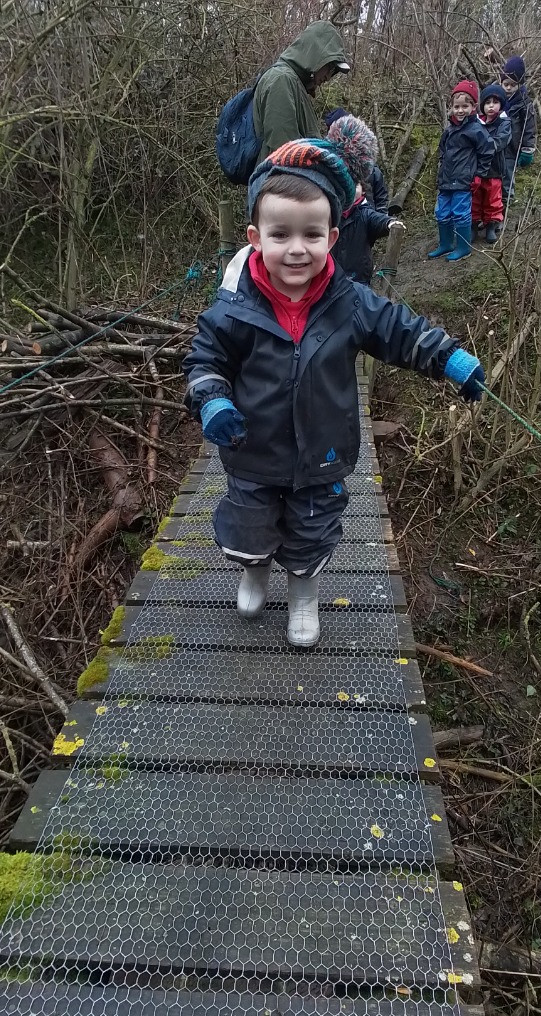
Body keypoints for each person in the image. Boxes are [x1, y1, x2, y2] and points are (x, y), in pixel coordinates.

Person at [182, 140, 486, 647]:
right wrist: (212, 399)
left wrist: (451, 360)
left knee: (312, 527)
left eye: (312, 234)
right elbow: (203, 360)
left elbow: (402, 330)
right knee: (249, 524)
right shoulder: (232, 310)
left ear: (333, 236)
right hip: (251, 447)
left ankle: (304, 590)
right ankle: (254, 571)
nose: (296, 248)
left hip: (323, 450)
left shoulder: (351, 301)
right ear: (255, 238)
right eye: (280, 234)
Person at [253, 22, 350, 164]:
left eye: (333, 72)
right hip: (280, 184)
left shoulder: (295, 84)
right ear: (316, 54)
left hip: (290, 184)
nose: (329, 77)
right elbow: (286, 156)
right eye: (330, 67)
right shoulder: (281, 80)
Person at [325, 114, 402, 284]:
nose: (351, 190)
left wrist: (390, 222)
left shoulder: (364, 212)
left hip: (359, 276)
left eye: (355, 185)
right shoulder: (328, 211)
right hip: (330, 276)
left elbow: (377, 218)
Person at [428, 80, 495, 263]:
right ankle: (446, 244)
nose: (460, 110)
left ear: (473, 107)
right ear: (451, 107)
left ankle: (463, 247)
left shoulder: (476, 129)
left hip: (464, 180)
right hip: (446, 179)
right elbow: (442, 151)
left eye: (465, 106)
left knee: (460, 213)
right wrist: (440, 172)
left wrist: (479, 175)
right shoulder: (449, 130)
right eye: (456, 106)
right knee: (442, 212)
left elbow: (487, 151)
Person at [324, 108, 388, 211]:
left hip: (369, 220)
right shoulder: (328, 167)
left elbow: (381, 201)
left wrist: (382, 221)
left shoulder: (372, 170)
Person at [472, 83, 512, 243]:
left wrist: (484, 146)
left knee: (493, 200)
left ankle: (491, 225)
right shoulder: (476, 123)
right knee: (475, 199)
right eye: (487, 103)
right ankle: (473, 226)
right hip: (476, 169)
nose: (491, 106)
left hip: (495, 169)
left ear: (501, 104)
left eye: (495, 103)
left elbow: (500, 142)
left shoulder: (504, 123)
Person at [500, 55, 536, 202]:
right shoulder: (496, 99)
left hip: (512, 148)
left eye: (513, 85)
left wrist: (527, 149)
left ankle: (504, 207)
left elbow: (529, 128)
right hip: (495, 147)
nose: (509, 88)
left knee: (507, 179)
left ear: (520, 84)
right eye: (506, 84)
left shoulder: (524, 104)